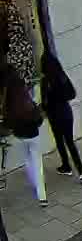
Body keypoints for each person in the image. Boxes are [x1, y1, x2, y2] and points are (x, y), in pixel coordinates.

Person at [2, 65, 45, 206]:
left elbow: (8, 122)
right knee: (37, 161)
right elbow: (38, 118)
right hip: (33, 133)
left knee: (27, 159)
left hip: (20, 135)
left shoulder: (9, 101)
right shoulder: (26, 97)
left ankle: (34, 183)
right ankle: (42, 195)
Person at [40, 51, 82, 183]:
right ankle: (80, 170)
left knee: (60, 141)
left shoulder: (45, 81)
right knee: (70, 142)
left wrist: (45, 106)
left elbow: (45, 103)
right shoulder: (62, 76)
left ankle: (66, 166)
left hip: (55, 116)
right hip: (66, 113)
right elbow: (72, 94)